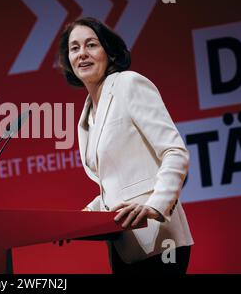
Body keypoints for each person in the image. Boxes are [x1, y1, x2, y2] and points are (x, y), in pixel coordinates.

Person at [57, 17, 194, 274]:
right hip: (124, 248)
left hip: (159, 240)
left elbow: (175, 152)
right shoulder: (87, 115)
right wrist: (79, 218)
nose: (82, 54)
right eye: (74, 48)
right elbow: (116, 185)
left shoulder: (129, 84)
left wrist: (155, 206)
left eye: (91, 45)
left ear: (109, 52)